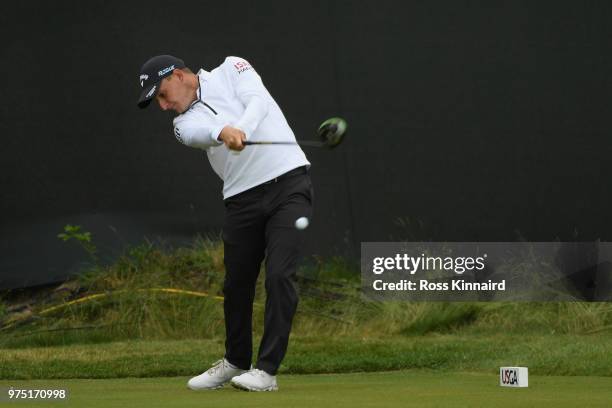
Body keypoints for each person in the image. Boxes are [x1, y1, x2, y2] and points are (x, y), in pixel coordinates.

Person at [137, 55, 313, 391]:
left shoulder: (232, 68)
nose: (163, 106)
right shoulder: (182, 123)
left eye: (161, 94)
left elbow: (257, 101)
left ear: (177, 75)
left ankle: (266, 371)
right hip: (241, 200)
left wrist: (241, 129)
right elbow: (198, 134)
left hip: (289, 184)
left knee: (278, 275)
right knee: (236, 286)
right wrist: (223, 131)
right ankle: (235, 362)